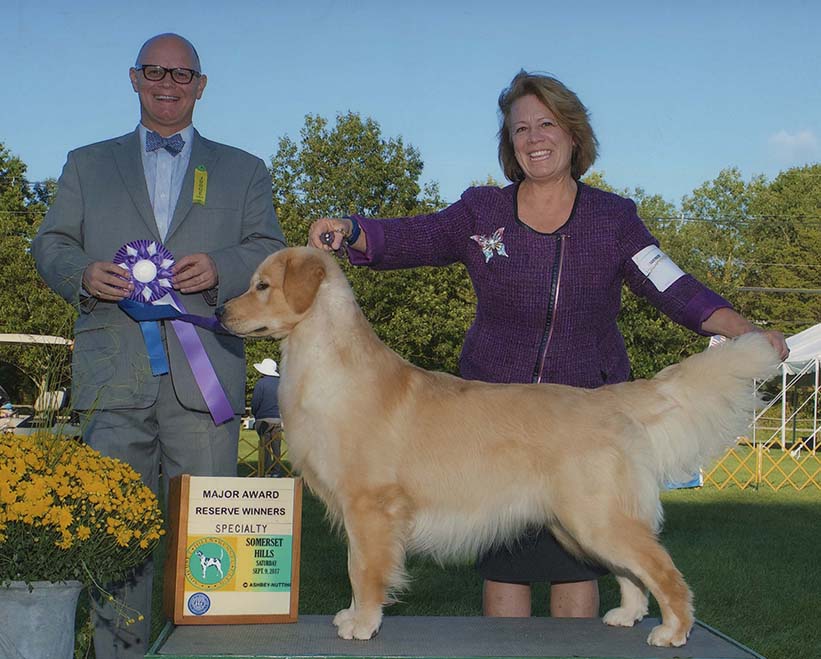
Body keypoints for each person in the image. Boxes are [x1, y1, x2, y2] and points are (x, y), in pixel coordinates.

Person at [308, 70, 789, 621]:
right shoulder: (481, 211)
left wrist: (742, 331)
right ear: (510, 144)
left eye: (547, 124)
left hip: (581, 420)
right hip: (491, 426)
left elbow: (671, 285)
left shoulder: (614, 219)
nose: (534, 138)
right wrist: (353, 230)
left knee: (580, 562)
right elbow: (418, 235)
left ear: (573, 134)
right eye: (521, 129)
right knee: (505, 573)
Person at [32, 33, 285, 658]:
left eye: (181, 74)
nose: (167, 84)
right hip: (113, 379)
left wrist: (222, 266)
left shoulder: (246, 169)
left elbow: (268, 251)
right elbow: (50, 244)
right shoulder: (86, 163)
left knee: (214, 544)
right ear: (134, 78)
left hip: (206, 383)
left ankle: (211, 652)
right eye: (155, 71)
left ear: (201, 85)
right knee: (117, 539)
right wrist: (82, 273)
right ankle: (121, 653)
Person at [251, 358, 284, 476]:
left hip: (263, 419)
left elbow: (255, 402)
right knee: (276, 448)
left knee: (265, 447)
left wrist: (255, 414)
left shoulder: (261, 383)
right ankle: (276, 472)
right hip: (277, 419)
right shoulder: (281, 384)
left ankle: (266, 471)